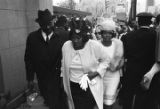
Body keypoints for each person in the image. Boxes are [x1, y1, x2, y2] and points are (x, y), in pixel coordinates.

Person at [61, 17, 110, 109]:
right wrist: (62, 82)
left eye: (78, 38)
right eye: (73, 37)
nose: (75, 41)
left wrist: (93, 74)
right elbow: (63, 65)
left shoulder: (94, 45)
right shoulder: (66, 46)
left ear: (84, 37)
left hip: (89, 86)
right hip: (72, 86)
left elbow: (106, 60)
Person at [24, 9, 68, 109]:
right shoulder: (32, 38)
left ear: (52, 22)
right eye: (44, 24)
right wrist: (30, 78)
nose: (47, 27)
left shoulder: (63, 36)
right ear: (39, 24)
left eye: (49, 23)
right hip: (42, 77)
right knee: (47, 101)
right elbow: (28, 59)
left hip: (59, 78)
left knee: (60, 102)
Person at [120, 12, 156, 109]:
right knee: (146, 97)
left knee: (129, 95)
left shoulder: (127, 36)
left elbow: (124, 54)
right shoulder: (155, 35)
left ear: (138, 22)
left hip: (132, 70)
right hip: (149, 71)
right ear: (150, 22)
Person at [98, 20, 124, 109]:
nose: (107, 35)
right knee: (99, 100)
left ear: (112, 34)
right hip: (99, 76)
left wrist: (116, 67)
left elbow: (122, 60)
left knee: (109, 102)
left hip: (113, 76)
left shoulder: (117, 44)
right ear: (101, 34)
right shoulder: (96, 44)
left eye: (109, 33)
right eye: (105, 33)